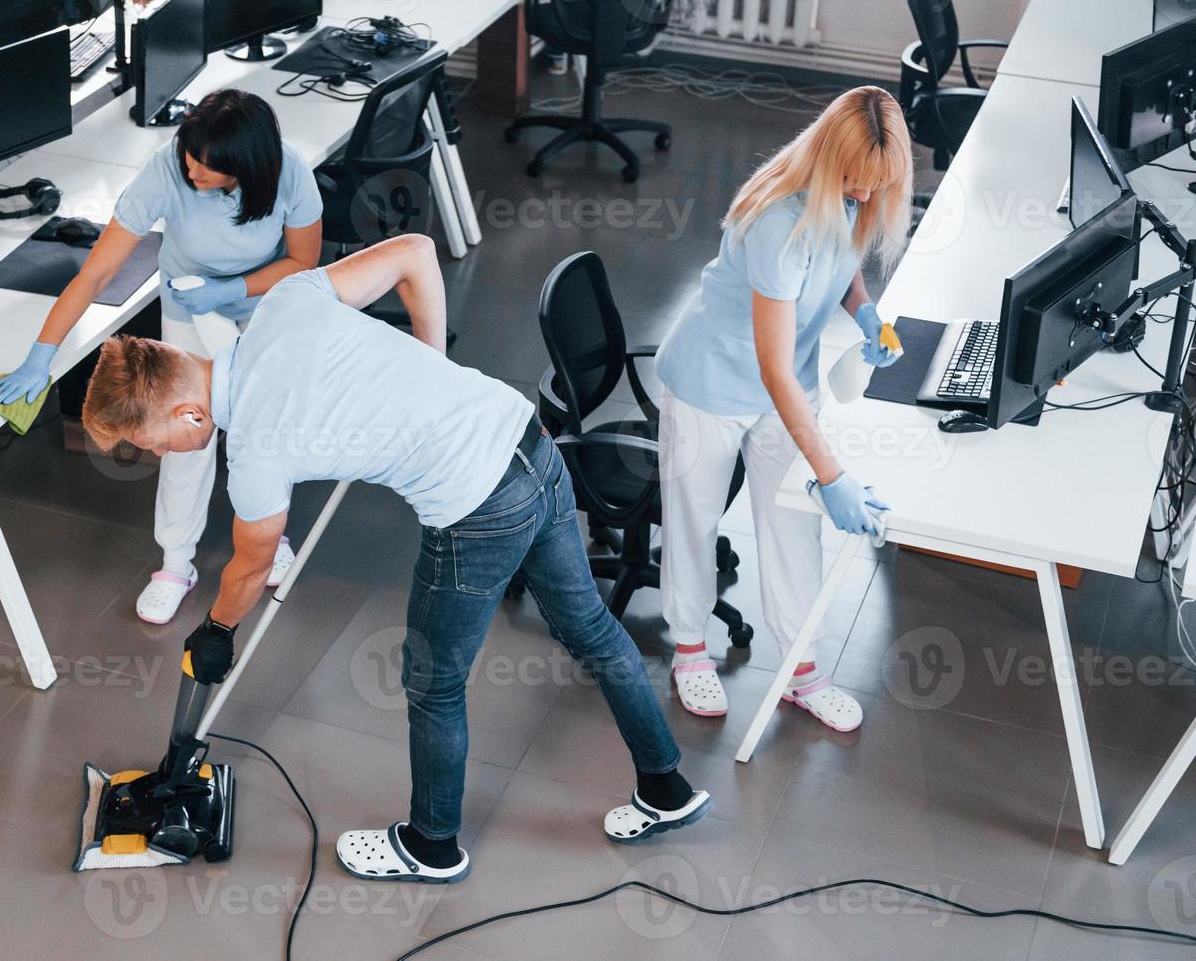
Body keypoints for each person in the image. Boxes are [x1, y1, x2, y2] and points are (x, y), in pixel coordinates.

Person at [79, 234, 712, 882]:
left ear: (186, 412)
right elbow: (415, 251)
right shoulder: (285, 303)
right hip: (531, 446)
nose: (154, 454)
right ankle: (666, 788)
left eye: (144, 441)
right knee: (592, 629)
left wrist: (218, 628)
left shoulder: (256, 454)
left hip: (478, 509)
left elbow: (252, 564)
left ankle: (432, 845)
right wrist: (430, 368)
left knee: (434, 684)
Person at [0, 89, 323, 625]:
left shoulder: (289, 173)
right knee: (183, 437)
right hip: (190, 311)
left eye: (208, 168)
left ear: (245, 165)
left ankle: (267, 532)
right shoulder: (166, 169)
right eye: (189, 156)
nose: (193, 171)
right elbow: (96, 272)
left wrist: (233, 288)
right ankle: (176, 564)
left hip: (263, 306)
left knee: (260, 431)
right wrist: (40, 356)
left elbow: (304, 261)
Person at [654, 86, 912, 732]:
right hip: (711, 384)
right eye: (853, 181)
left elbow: (844, 261)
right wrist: (833, 474)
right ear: (829, 161)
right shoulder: (778, 219)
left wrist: (864, 312)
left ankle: (801, 669)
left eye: (876, 185)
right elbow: (771, 371)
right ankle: (688, 651)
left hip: (782, 385)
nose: (863, 194)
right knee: (695, 518)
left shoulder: (860, 196)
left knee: (796, 526)